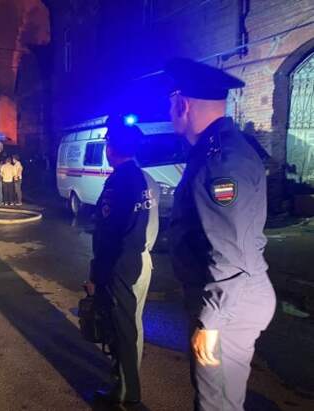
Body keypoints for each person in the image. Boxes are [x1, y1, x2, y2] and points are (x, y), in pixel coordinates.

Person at [166, 58, 276, 411]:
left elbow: (230, 252)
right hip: (231, 295)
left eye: (170, 102)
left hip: (229, 301)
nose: (169, 111)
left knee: (216, 404)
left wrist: (211, 320)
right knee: (222, 399)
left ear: (182, 104)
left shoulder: (220, 161)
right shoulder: (220, 149)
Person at [86, 121, 159, 405]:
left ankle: (126, 392)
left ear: (111, 149)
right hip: (140, 261)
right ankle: (125, 383)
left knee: (122, 329)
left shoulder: (119, 182)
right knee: (131, 326)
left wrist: (98, 275)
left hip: (122, 265)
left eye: (107, 144)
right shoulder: (144, 178)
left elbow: (110, 236)